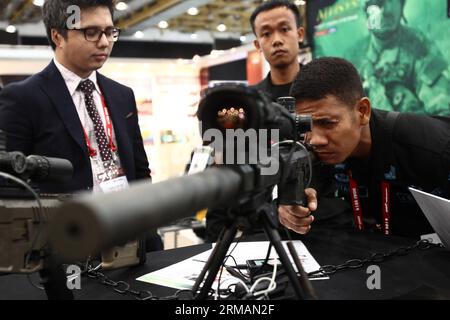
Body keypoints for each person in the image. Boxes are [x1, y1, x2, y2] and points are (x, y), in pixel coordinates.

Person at [0, 0, 162, 250]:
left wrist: (149, 233)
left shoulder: (122, 96)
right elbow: (11, 186)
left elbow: (139, 171)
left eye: (110, 32)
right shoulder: (23, 98)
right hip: (64, 246)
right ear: (58, 36)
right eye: (91, 32)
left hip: (128, 236)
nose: (105, 42)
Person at [285, 57, 450, 238]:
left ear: (363, 111)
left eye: (327, 123)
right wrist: (288, 206)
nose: (315, 140)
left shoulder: (429, 147)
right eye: (306, 126)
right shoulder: (312, 154)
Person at [204, 0, 319, 242]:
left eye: (284, 29)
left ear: (299, 34)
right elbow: (227, 169)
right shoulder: (246, 107)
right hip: (259, 232)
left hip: (319, 228)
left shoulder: (324, 94)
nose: (276, 39)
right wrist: (214, 240)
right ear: (257, 44)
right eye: (266, 33)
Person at [349, 0, 450, 115]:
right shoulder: (354, 57)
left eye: (391, 0)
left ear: (401, 5)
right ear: (365, 11)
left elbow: (442, 110)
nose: (386, 10)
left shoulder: (419, 47)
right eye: (376, 2)